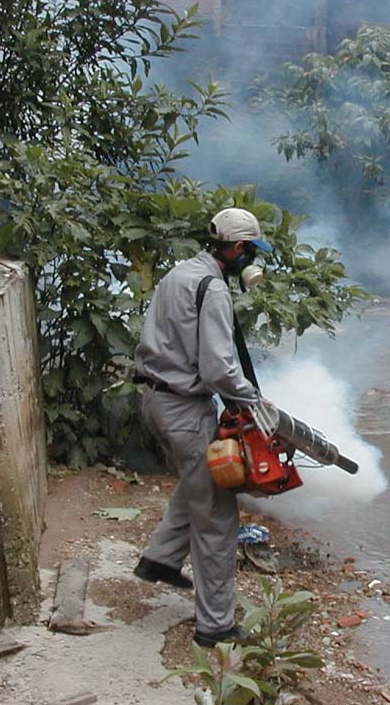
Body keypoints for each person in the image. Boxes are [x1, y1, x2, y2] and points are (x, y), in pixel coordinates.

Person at [131, 207, 273, 648]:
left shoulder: (180, 274)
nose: (251, 260)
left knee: (200, 479)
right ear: (236, 248)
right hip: (184, 407)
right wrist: (255, 402)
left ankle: (160, 558)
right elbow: (217, 368)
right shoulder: (213, 289)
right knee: (216, 516)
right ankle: (216, 627)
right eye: (249, 252)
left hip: (154, 398)